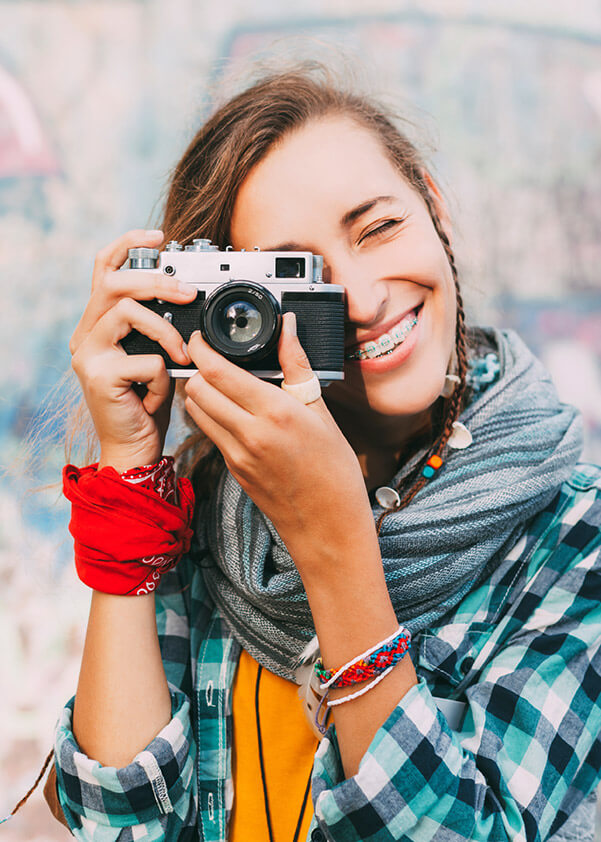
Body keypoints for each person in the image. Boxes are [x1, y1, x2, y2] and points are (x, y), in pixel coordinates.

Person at [44, 64, 601, 841]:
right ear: (222, 306)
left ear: (433, 208)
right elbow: (115, 825)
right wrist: (129, 473)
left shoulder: (579, 538)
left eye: (378, 229)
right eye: (293, 276)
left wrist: (334, 545)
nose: (365, 299)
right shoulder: (215, 511)